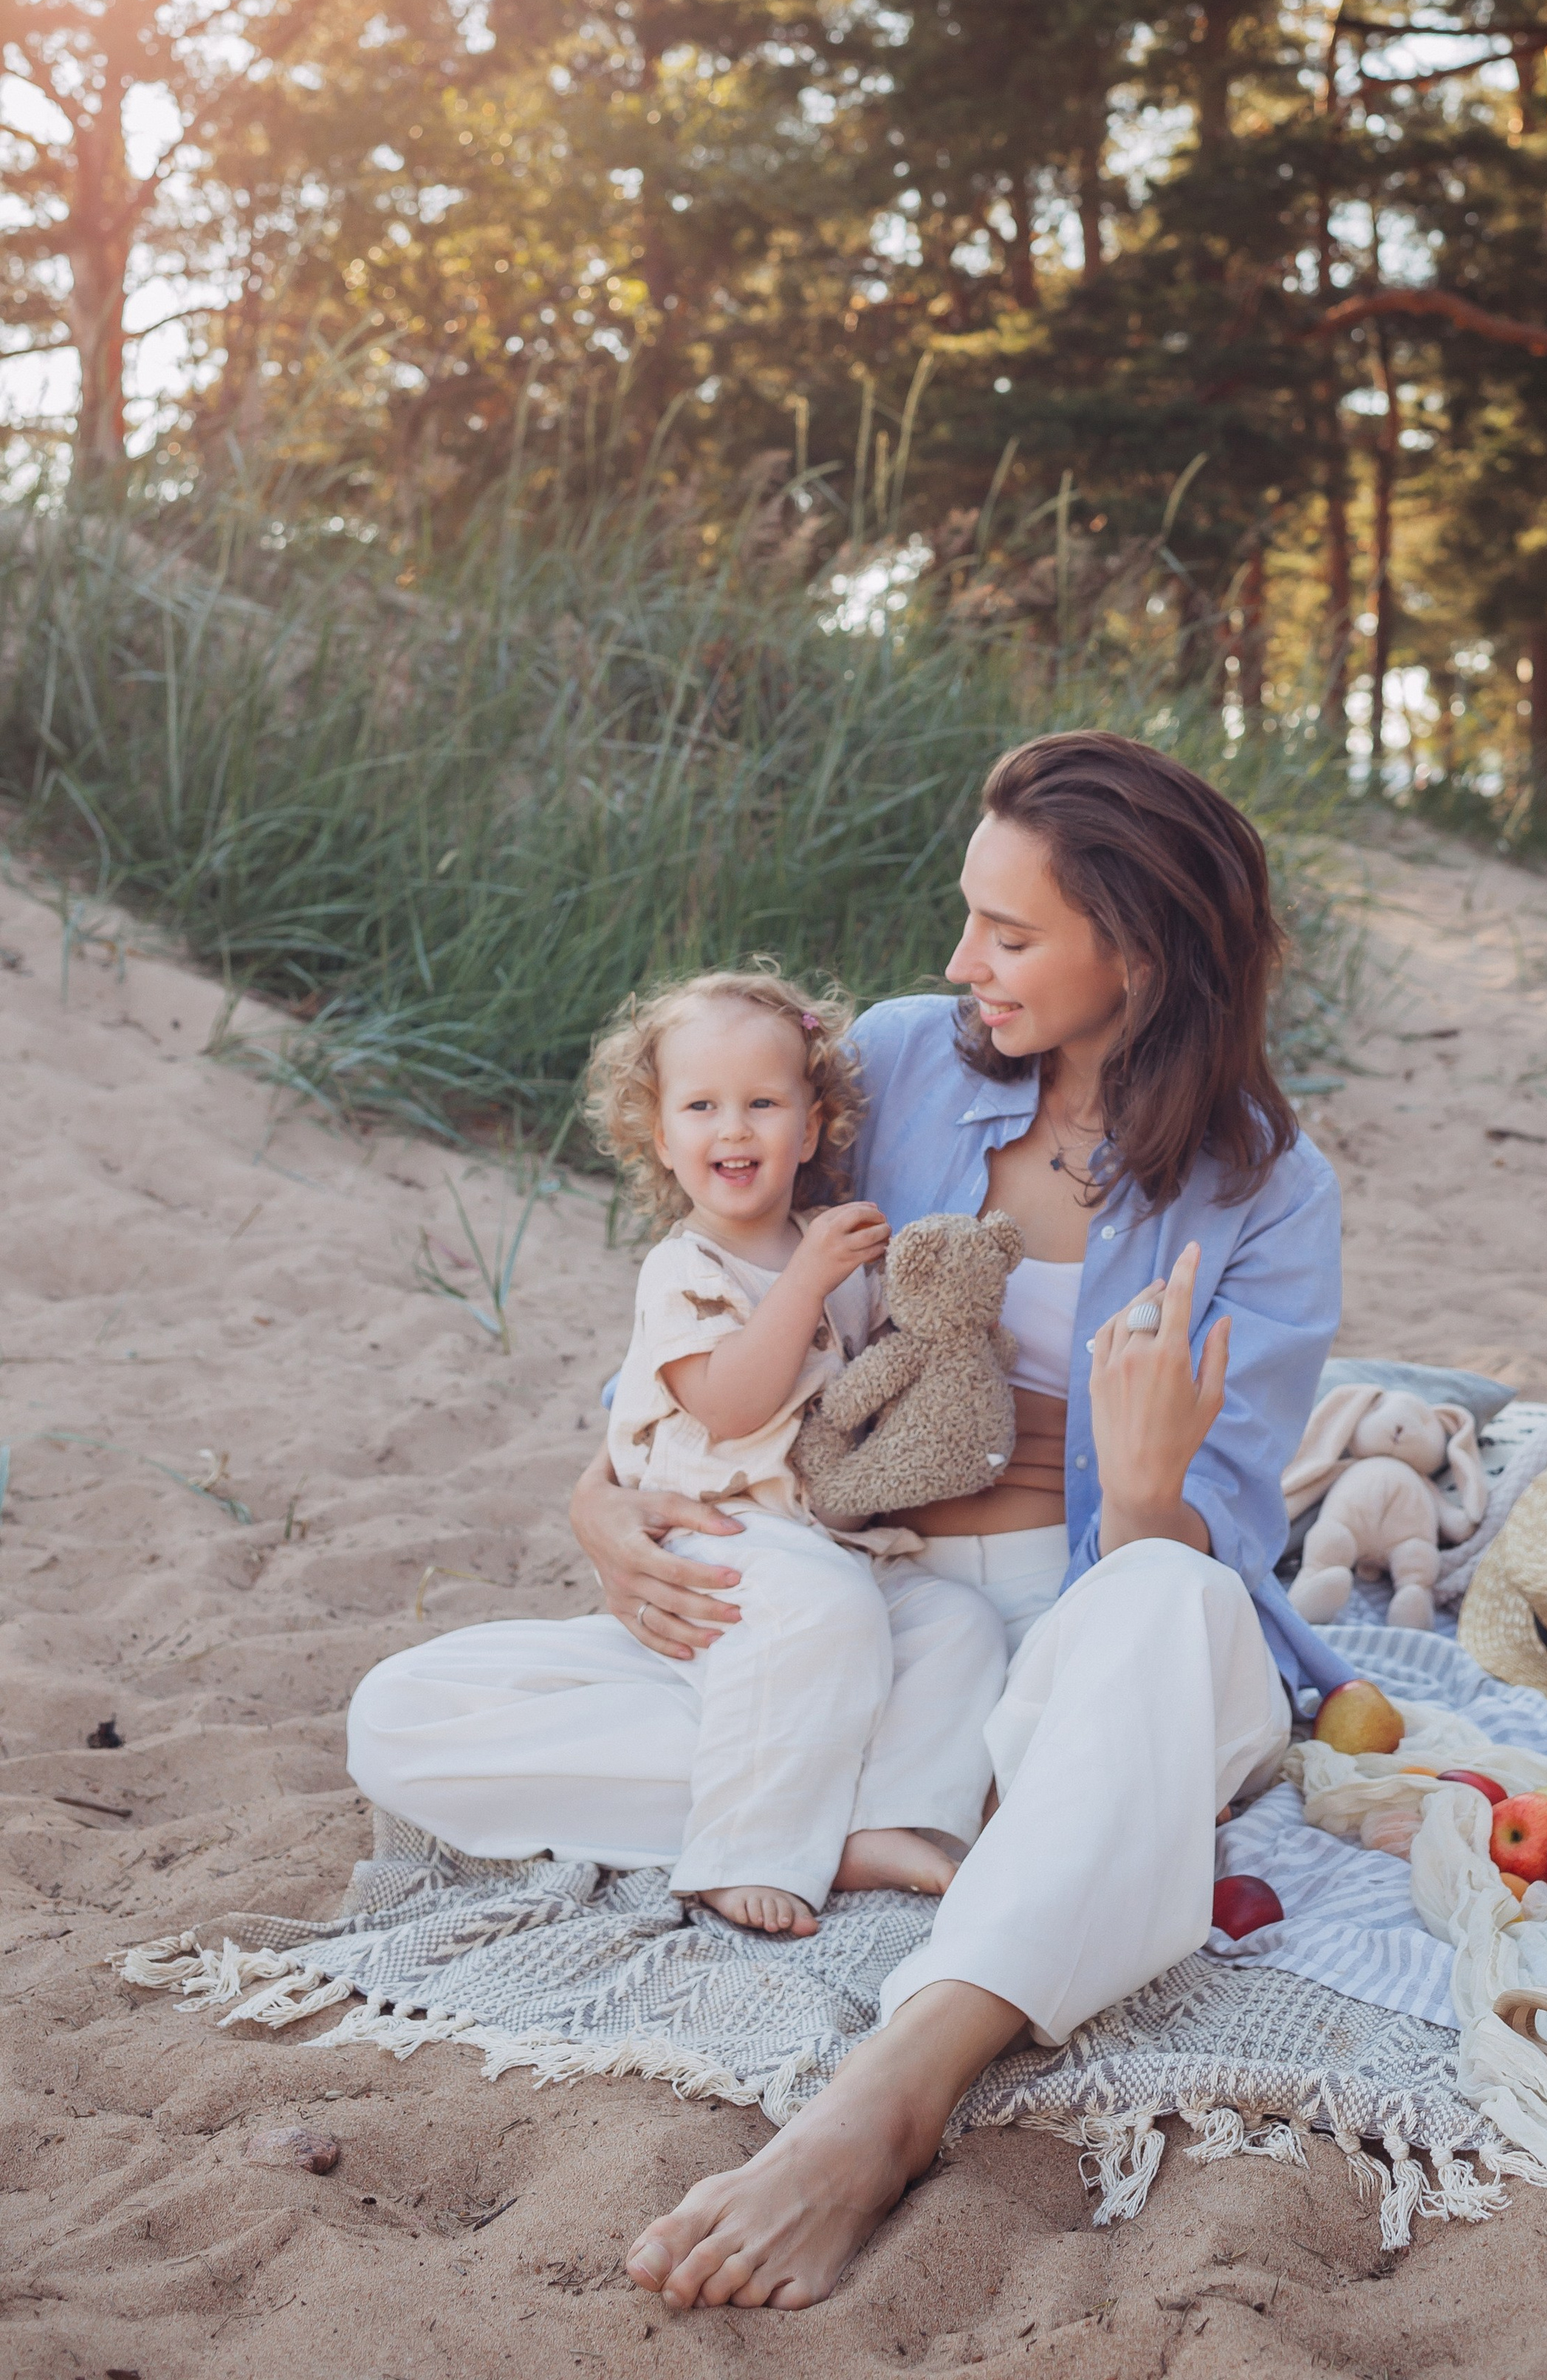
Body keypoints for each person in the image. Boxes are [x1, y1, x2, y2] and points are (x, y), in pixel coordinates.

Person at [346, 728, 1348, 2312]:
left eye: (1007, 933)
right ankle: (956, 1824)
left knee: (1169, 1616)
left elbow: (1193, 1551)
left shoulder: (1267, 1190)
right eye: (968, 915)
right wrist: (602, 1501)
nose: (961, 963)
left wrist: (1152, 1489)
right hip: (848, 1601)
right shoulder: (897, 1060)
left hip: (1084, 1623)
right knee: (410, 1715)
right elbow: (718, 1299)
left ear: (1139, 951)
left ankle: (890, 2091)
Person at [583, 967, 1006, 1935]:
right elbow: (731, 1405)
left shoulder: (828, 1246)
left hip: (823, 1537)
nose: (733, 1129)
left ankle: (883, 1819)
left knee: (958, 1622)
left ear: (811, 1129)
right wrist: (808, 1280)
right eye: (701, 1106)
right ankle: (745, 1848)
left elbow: (879, 1368)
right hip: (718, 1528)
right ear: (662, 1136)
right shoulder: (682, 1269)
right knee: (825, 1608)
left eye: (763, 1104)